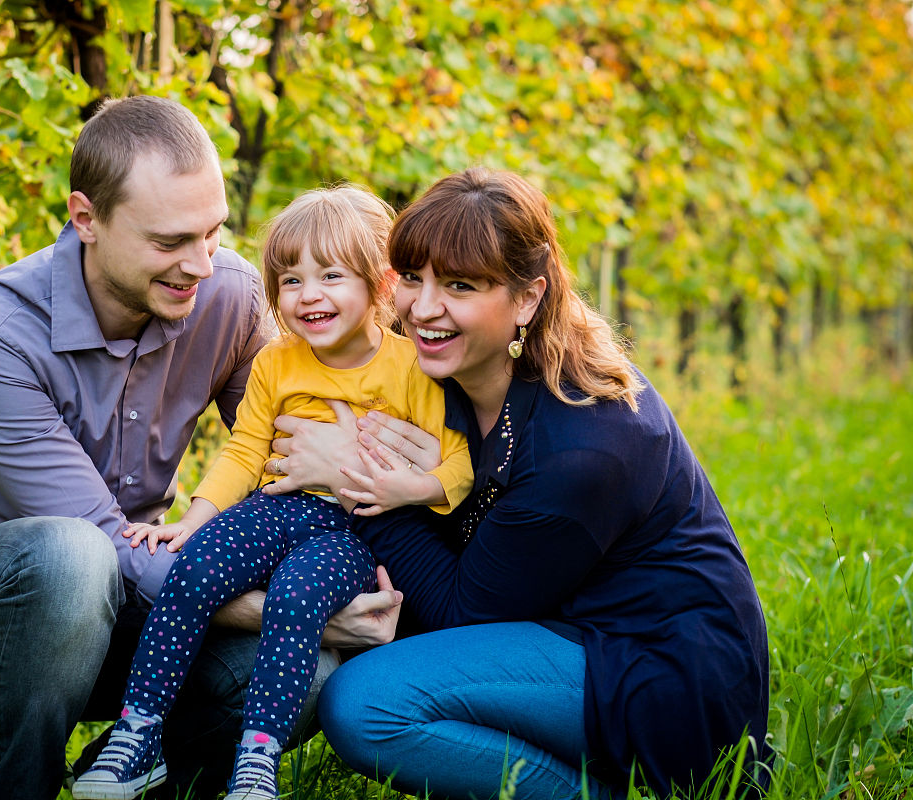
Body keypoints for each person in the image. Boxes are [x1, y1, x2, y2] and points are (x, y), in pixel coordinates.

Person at [0, 97, 400, 800]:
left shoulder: (231, 297)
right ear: (85, 219)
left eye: (212, 234)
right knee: (71, 558)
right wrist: (288, 608)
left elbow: (285, 463)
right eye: (170, 243)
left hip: (140, 603)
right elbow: (100, 540)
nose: (201, 266)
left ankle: (129, 778)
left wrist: (353, 472)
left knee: (304, 674)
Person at [263, 168, 772, 799]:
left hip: (660, 677)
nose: (423, 309)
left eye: (459, 285)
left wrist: (359, 481)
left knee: (365, 706)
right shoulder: (443, 375)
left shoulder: (586, 446)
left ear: (528, 299)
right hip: (562, 629)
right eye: (412, 279)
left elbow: (459, 615)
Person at [71, 186, 473, 800]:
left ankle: (256, 761)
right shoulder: (276, 363)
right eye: (290, 280)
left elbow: (461, 464)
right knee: (194, 569)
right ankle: (140, 732)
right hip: (272, 507)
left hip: (351, 529)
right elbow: (244, 450)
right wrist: (194, 521)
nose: (308, 294)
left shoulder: (409, 366)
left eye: (331, 275)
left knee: (297, 594)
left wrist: (404, 489)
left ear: (380, 284)